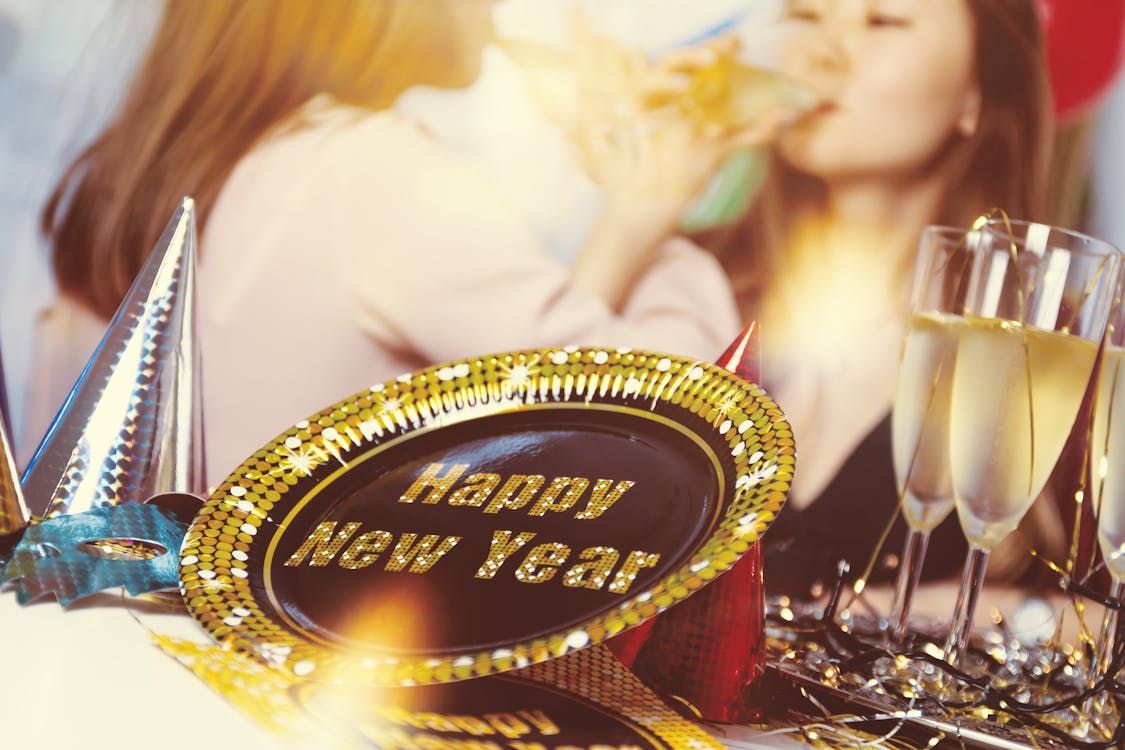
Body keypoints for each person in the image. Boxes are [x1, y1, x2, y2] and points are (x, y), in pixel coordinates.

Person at [24, 1, 791, 487]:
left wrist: (630, 217)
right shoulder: (375, 168)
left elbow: (536, 393)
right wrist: (669, 216)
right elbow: (663, 421)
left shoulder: (247, 158)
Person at [697, 0, 1058, 596]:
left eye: (883, 20)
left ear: (980, 94)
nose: (822, 52)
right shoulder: (686, 281)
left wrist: (983, 612)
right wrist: (636, 222)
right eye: (805, 15)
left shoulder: (1049, 366)